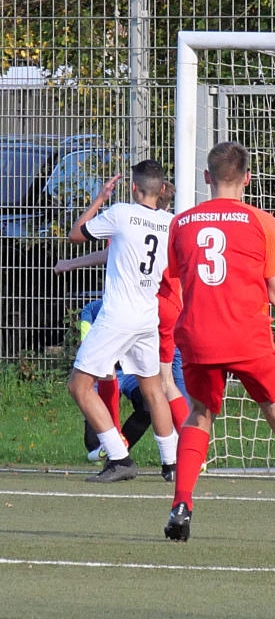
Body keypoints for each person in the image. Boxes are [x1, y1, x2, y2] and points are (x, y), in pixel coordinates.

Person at [163, 140, 275, 543]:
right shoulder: (262, 221)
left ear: (207, 177)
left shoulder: (181, 223)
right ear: (247, 178)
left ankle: (181, 505)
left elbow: (179, 277)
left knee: (199, 416)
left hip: (199, 336)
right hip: (248, 338)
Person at [57, 182, 192, 475]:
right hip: (152, 314)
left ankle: (118, 456)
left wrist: (100, 198)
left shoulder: (122, 214)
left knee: (80, 385)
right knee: (157, 387)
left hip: (121, 313)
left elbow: (76, 234)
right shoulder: (172, 223)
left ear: (133, 187)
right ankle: (172, 461)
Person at [75, 298, 187, 465]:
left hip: (131, 374)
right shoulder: (94, 309)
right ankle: (114, 445)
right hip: (104, 371)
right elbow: (89, 349)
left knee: (150, 400)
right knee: (93, 442)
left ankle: (120, 450)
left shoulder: (150, 311)